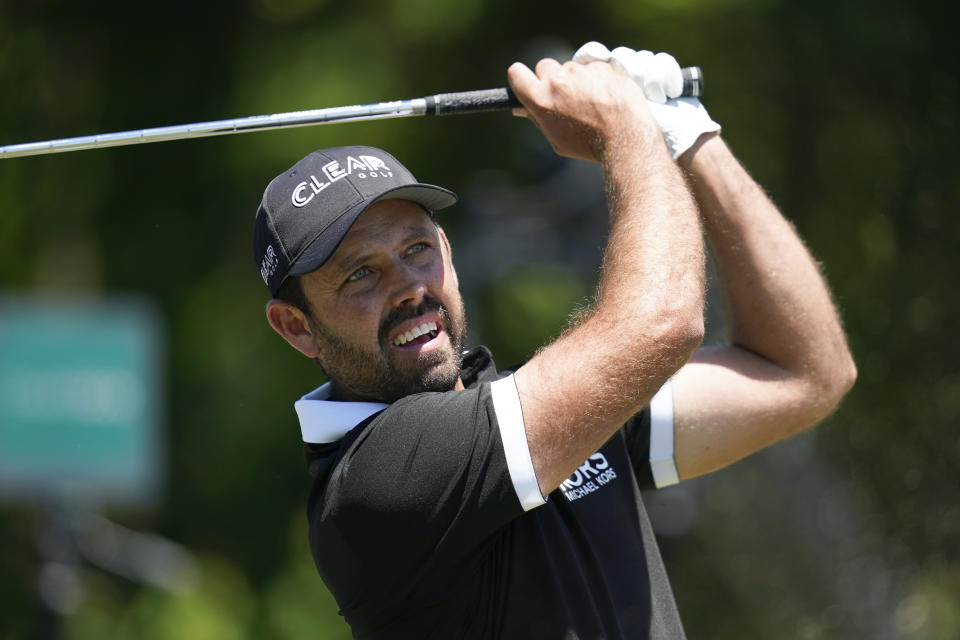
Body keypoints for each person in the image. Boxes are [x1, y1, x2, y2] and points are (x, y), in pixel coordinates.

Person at [253, 42, 856, 639]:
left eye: (417, 249)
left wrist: (690, 137)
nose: (409, 288)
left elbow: (807, 370)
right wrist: (628, 129)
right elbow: (663, 325)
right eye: (362, 274)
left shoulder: (540, 410)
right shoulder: (374, 481)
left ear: (448, 252)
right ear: (297, 327)